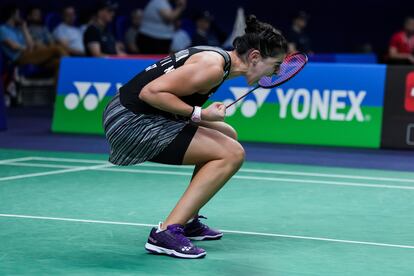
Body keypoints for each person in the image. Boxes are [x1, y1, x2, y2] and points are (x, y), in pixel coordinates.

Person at [102, 15, 287, 259]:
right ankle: (166, 233)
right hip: (130, 121)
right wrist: (200, 113)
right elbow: (151, 92)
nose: (274, 75)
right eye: (275, 66)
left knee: (228, 133)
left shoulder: (218, 60)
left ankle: (188, 219)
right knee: (231, 154)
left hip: (143, 113)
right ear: (254, 57)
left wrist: (203, 115)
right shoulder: (211, 67)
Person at [0, 5, 66, 76]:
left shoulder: (18, 29)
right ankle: (75, 70)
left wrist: (24, 28)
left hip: (30, 54)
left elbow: (31, 45)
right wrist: (27, 48)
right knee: (57, 49)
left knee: (59, 63)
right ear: (12, 15)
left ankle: (65, 86)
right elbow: (14, 46)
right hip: (18, 58)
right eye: (18, 14)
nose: (20, 16)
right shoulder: (2, 29)